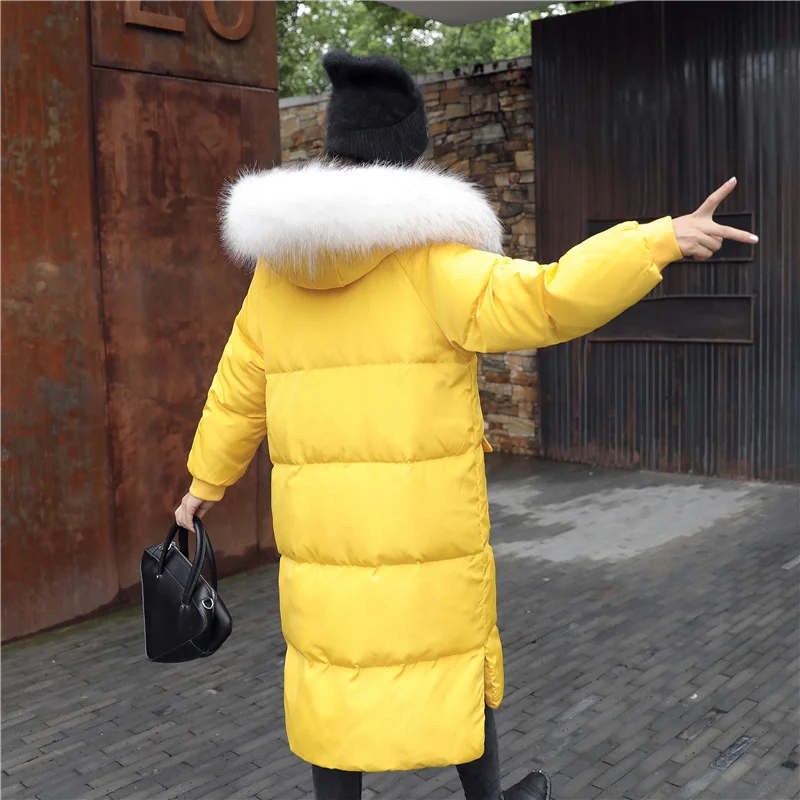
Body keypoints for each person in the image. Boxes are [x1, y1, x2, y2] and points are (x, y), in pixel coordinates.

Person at [175, 51, 757, 800]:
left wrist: (204, 483)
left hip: (323, 541)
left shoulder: (279, 271)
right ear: (410, 153)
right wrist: (658, 240)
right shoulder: (433, 264)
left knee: (335, 677)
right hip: (427, 534)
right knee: (453, 663)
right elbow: (548, 299)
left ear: (335, 145)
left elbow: (238, 386)